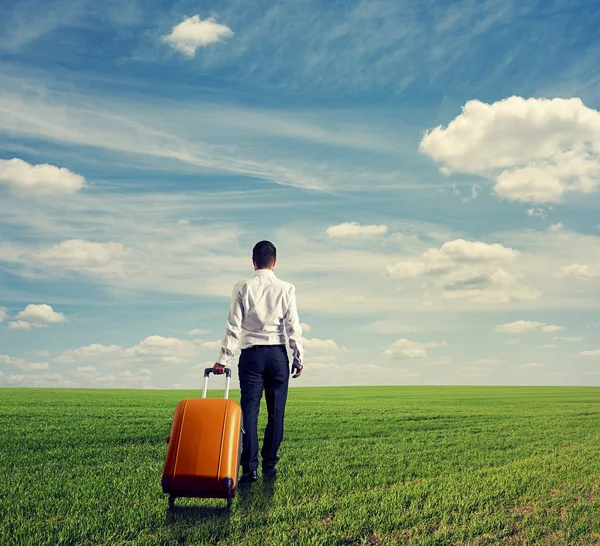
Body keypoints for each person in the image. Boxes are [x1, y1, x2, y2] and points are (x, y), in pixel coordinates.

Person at [213, 240, 304, 484]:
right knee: (276, 413)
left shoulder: (242, 287)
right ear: (275, 262)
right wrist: (298, 357)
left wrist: (223, 359)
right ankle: (269, 463)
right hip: (277, 355)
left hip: (251, 356)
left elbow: (233, 326)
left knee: (249, 413)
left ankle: (249, 469)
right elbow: (293, 326)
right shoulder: (287, 288)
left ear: (253, 262)